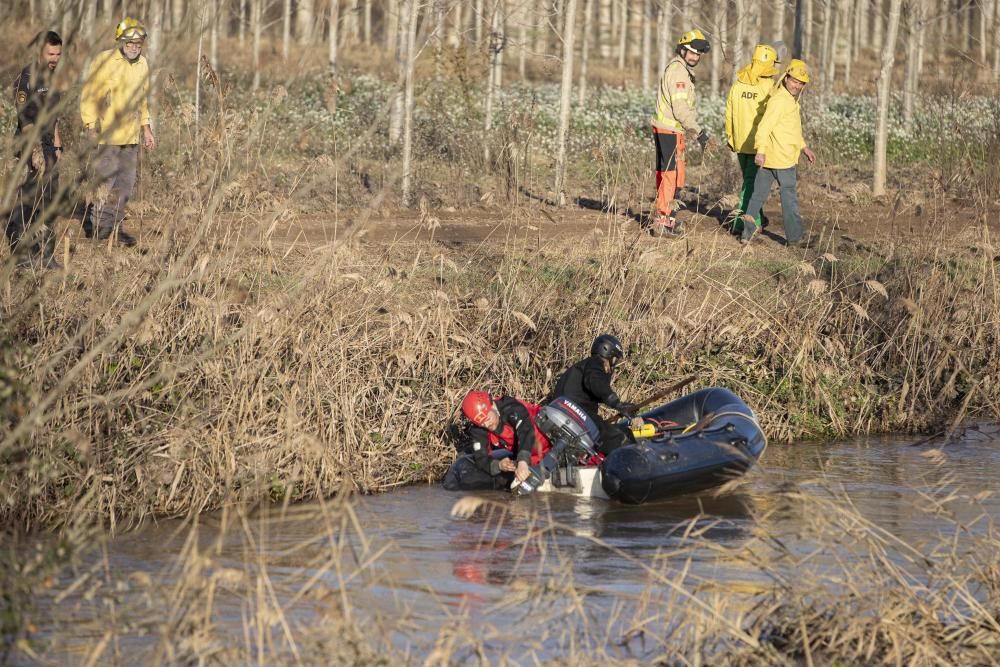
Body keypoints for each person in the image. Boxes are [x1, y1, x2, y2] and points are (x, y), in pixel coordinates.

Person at [79, 17, 156, 247]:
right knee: (106, 182)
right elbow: (89, 95)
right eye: (129, 42)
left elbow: (142, 99)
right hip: (108, 136)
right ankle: (100, 228)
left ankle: (117, 227)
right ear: (120, 41)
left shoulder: (143, 63)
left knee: (126, 183)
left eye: (138, 43)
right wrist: (91, 126)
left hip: (131, 137)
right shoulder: (104, 61)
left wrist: (147, 129)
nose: (134, 47)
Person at [739, 59, 817, 247]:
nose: (796, 85)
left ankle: (746, 235)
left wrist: (803, 147)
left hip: (775, 158)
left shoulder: (787, 99)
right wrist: (761, 151)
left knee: (757, 197)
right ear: (786, 78)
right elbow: (764, 127)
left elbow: (791, 130)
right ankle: (795, 239)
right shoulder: (780, 101)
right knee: (788, 199)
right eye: (793, 81)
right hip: (779, 160)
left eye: (800, 83)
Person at [5, 30, 64, 269]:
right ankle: (22, 255)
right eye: (51, 53)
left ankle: (47, 253)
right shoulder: (25, 78)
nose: (55, 58)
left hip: (49, 146)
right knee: (27, 200)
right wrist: (36, 152)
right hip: (30, 148)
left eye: (58, 54)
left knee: (50, 199)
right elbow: (25, 121)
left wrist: (57, 145)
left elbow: (55, 115)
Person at [650, 29, 712, 238]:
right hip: (670, 130)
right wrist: (699, 132)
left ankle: (664, 219)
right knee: (671, 177)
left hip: (667, 129)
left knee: (667, 175)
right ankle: (663, 222)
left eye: (698, 54)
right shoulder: (678, 72)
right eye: (691, 52)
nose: (695, 57)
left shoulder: (679, 69)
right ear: (682, 50)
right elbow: (680, 109)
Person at [442, 391, 552, 491]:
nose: (486, 425)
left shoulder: (510, 407)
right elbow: (481, 458)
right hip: (530, 459)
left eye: (488, 419)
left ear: (492, 405)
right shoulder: (479, 428)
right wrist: (499, 465)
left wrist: (523, 461)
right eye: (481, 424)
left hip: (549, 445)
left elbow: (526, 431)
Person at [724, 43, 780, 238]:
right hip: (759, 146)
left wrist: (730, 137)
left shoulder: (738, 85)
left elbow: (729, 113)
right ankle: (743, 224)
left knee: (750, 182)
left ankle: (758, 217)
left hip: (739, 143)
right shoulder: (770, 87)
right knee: (751, 186)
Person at [551, 334, 636, 455]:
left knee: (610, 433)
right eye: (615, 359)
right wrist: (617, 403)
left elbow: (592, 390)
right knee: (621, 438)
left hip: (565, 412)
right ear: (608, 353)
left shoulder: (580, 367)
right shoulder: (596, 363)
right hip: (578, 414)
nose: (614, 364)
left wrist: (622, 406)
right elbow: (596, 382)